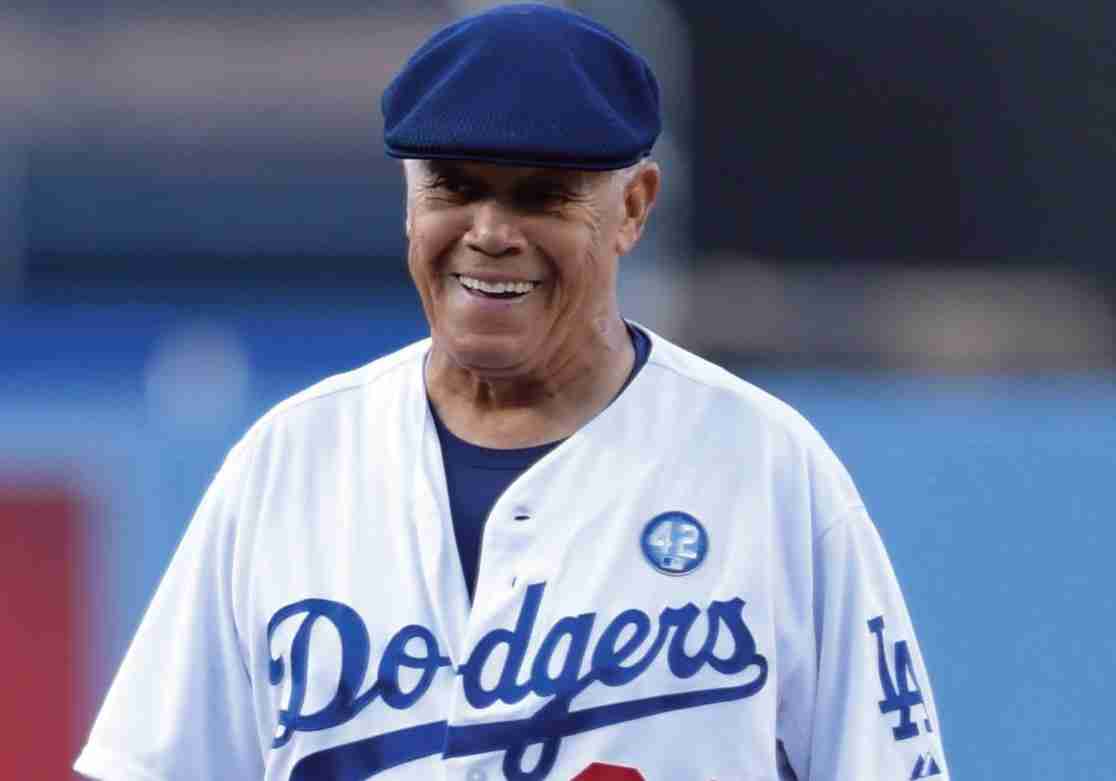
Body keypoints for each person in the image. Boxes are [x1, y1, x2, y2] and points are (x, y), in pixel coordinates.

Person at [75, 5, 949, 780]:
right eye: (455, 187)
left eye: (542, 195)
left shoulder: (765, 467)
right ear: (410, 203)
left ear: (633, 207)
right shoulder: (290, 462)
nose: (491, 232)